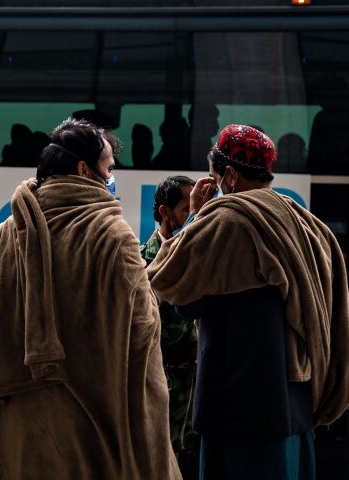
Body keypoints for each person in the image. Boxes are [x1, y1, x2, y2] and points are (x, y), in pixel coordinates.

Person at [0, 118, 180, 479]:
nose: (112, 178)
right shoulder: (112, 234)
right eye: (109, 169)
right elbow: (142, 340)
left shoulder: (1, 236)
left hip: (23, 429)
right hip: (94, 430)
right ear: (84, 169)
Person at [147, 125, 349, 480]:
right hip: (296, 401)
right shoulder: (306, 223)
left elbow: (171, 287)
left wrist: (194, 215)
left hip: (238, 408)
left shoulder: (227, 221)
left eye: (214, 177)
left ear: (229, 174)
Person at [140, 175, 199, 479]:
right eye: (187, 208)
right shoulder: (140, 262)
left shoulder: (201, 260)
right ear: (165, 213)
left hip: (197, 395)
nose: (195, 216)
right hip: (164, 393)